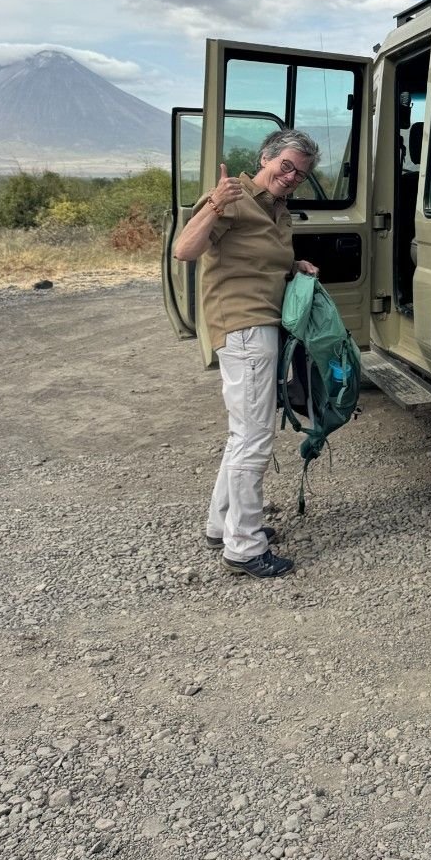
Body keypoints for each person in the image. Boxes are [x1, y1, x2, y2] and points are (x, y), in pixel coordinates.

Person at [173, 129, 320, 579]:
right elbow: (185, 250)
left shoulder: (276, 209)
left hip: (260, 327)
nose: (292, 176)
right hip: (243, 328)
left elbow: (257, 258)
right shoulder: (231, 196)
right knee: (255, 437)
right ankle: (244, 546)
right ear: (267, 158)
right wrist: (215, 204)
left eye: (301, 172)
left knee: (243, 433)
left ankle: (223, 525)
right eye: (287, 166)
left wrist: (293, 265)